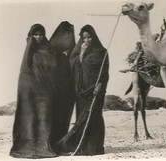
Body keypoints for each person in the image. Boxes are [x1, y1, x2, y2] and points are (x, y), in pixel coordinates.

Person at [54, 24, 109, 155]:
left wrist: (100, 84)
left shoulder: (102, 52)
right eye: (84, 38)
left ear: (94, 37)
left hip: (96, 89)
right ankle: (82, 146)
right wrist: (82, 54)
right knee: (82, 117)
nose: (87, 40)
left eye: (89, 37)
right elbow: (73, 67)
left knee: (94, 117)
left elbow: (105, 71)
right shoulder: (77, 52)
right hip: (81, 90)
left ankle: (95, 148)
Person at [10, 24, 57, 159]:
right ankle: (26, 147)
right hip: (30, 91)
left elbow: (54, 70)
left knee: (45, 117)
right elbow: (25, 73)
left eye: (40, 34)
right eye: (35, 35)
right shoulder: (28, 51)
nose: (38, 37)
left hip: (45, 90)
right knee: (29, 117)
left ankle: (44, 147)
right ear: (31, 36)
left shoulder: (49, 50)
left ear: (44, 35)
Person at [49, 21, 76, 148]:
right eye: (66, 33)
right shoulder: (51, 51)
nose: (69, 36)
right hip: (54, 91)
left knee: (65, 118)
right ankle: (51, 144)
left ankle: (60, 143)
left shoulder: (74, 52)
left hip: (69, 92)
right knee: (54, 117)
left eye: (71, 33)